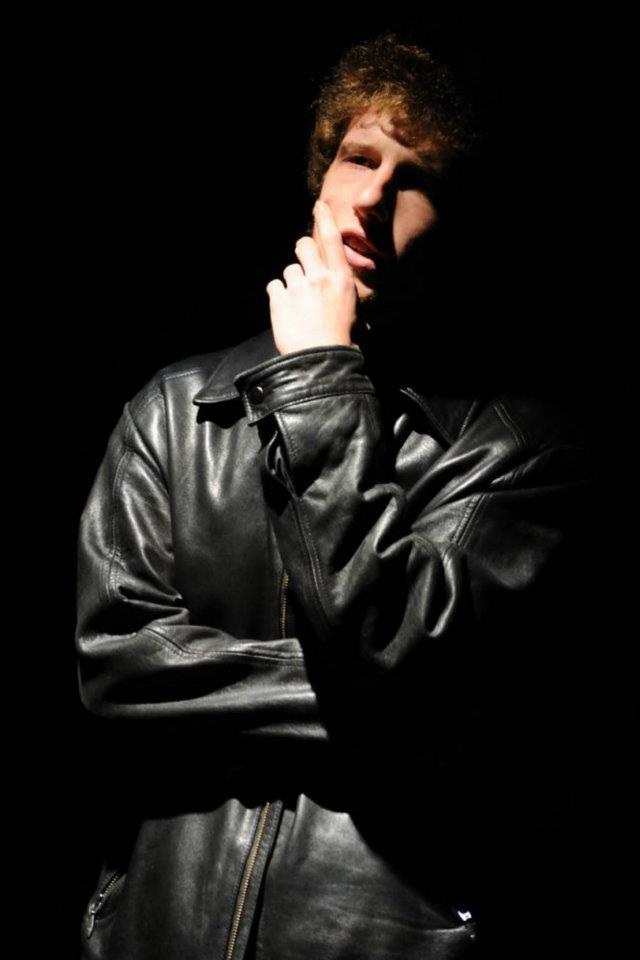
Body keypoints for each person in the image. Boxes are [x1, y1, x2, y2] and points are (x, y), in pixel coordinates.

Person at [75, 31, 595, 959]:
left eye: (416, 177)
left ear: (463, 220)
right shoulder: (174, 412)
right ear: (320, 177)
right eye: (359, 157)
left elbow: (387, 638)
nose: (371, 198)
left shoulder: (516, 453)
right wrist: (389, 709)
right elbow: (116, 670)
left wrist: (318, 373)